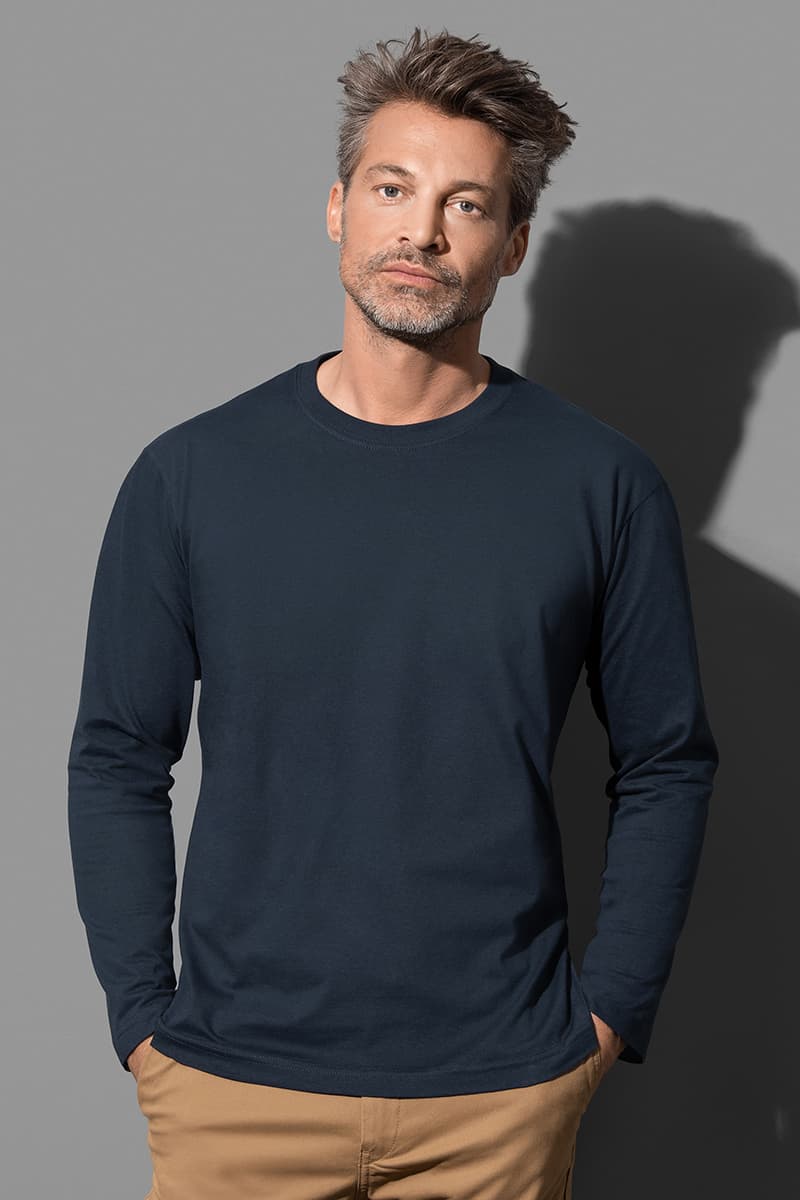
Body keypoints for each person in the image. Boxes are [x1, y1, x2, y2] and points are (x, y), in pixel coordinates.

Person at [67, 26, 719, 1200]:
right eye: (390, 188)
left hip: (499, 1096)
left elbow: (666, 761)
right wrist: (142, 1022)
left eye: (465, 204)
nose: (420, 231)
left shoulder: (601, 485)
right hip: (232, 1089)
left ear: (511, 244)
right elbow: (118, 755)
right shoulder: (191, 475)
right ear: (336, 209)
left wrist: (607, 1015)